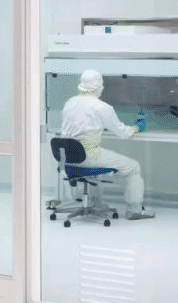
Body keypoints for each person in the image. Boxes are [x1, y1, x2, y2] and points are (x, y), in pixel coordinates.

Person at [60, 69, 155, 220]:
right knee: (133, 167)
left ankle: (94, 203)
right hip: (89, 157)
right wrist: (137, 127)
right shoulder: (102, 107)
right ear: (99, 86)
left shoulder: (70, 103)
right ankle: (135, 209)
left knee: (94, 164)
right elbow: (123, 133)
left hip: (69, 158)